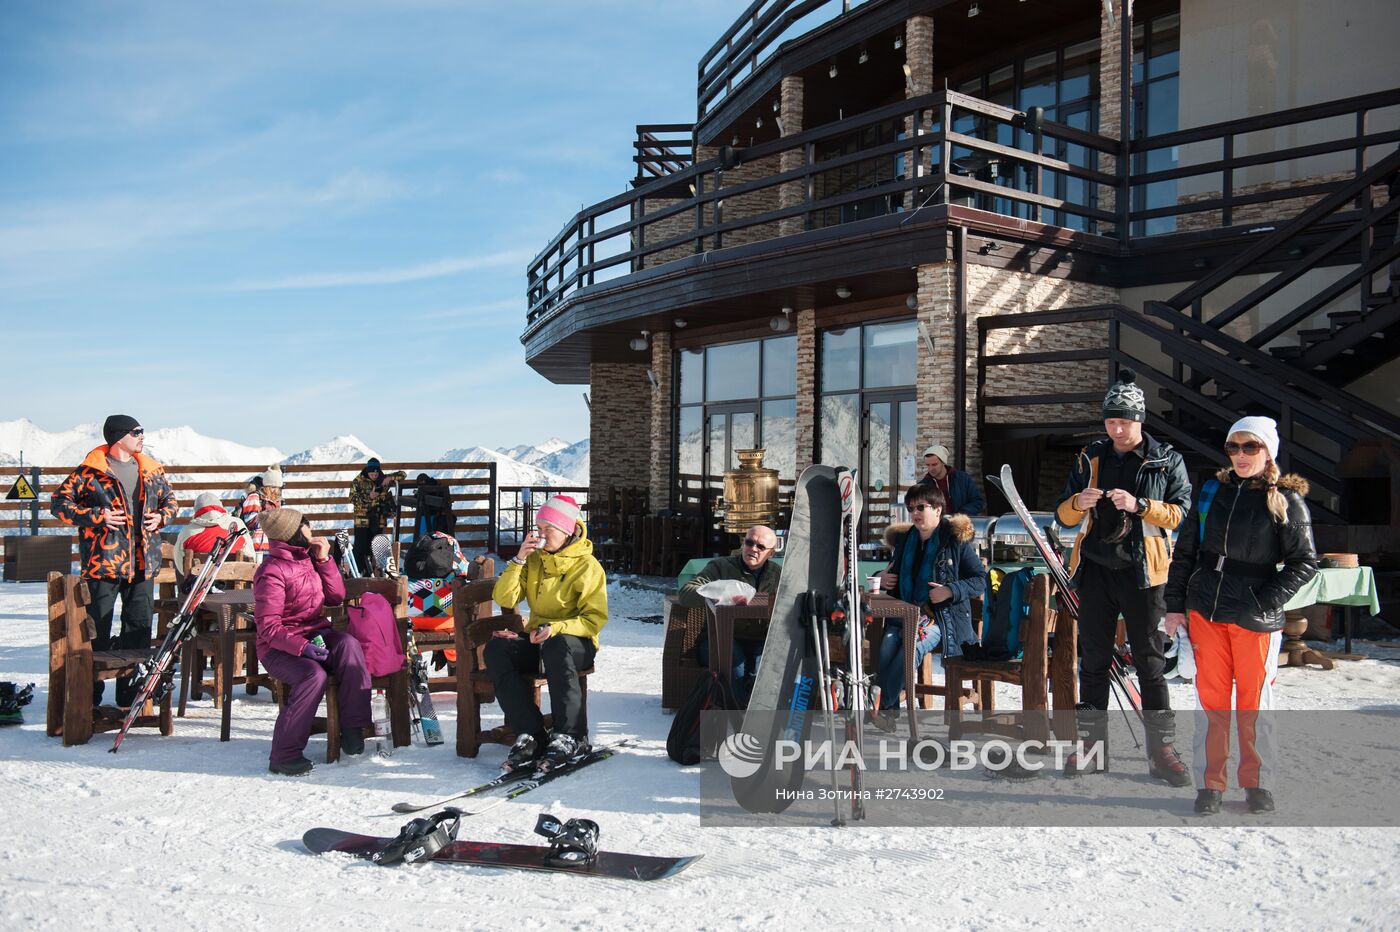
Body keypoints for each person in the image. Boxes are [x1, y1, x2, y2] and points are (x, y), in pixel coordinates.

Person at [1165, 417, 1316, 815]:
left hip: (1254, 619)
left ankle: (1258, 783)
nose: (1241, 455)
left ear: (1267, 452)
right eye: (1234, 447)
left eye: (1250, 447)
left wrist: (1264, 603)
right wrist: (1175, 606)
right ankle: (1210, 784)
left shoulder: (1287, 499)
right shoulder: (1211, 491)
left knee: (1253, 705)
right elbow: (1186, 552)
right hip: (1206, 612)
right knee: (1211, 704)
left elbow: (1304, 562)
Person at [1055, 368, 1193, 785]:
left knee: (1150, 663)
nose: (1117, 428)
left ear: (1141, 420)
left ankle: (1162, 751)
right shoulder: (1090, 457)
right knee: (1093, 662)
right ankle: (1091, 749)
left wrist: (1139, 505)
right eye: (1111, 421)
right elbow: (1062, 514)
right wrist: (1078, 501)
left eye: (1125, 421)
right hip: (1096, 570)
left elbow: (1180, 513)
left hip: (1144, 573)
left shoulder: (1166, 459)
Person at [51, 415, 176, 707]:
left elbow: (171, 501)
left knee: (139, 627)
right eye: (137, 432)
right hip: (103, 563)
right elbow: (59, 504)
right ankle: (89, 695)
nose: (142, 436)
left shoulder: (151, 470)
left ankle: (130, 694)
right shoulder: (90, 471)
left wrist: (161, 517)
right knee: (96, 629)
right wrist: (97, 517)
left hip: (143, 563)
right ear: (119, 436)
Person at [488, 495, 607, 771]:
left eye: (547, 530)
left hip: (576, 643)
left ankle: (571, 735)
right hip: (539, 639)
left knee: (558, 646)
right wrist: (518, 560)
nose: (540, 536)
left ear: (566, 531)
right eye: (537, 529)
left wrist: (557, 628)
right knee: (497, 650)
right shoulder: (534, 561)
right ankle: (532, 733)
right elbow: (504, 597)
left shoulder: (587, 567)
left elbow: (594, 620)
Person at [254, 508, 371, 776]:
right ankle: (284, 754)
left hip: (315, 632)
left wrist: (324, 560)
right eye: (306, 526)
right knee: (313, 676)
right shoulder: (271, 571)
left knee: (348, 645)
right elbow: (268, 627)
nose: (312, 530)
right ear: (294, 533)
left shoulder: (308, 559)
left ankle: (353, 728)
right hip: (277, 647)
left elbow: (336, 596)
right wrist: (301, 647)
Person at [875, 484, 984, 712]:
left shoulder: (954, 541)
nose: (915, 513)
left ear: (937, 510)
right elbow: (890, 573)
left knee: (910, 646)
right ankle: (888, 710)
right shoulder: (906, 542)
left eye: (921, 507)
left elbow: (980, 580)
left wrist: (950, 590)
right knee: (887, 643)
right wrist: (881, 577)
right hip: (904, 614)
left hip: (943, 619)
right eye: (911, 508)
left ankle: (880, 705)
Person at [678, 524, 782, 706]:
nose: (753, 549)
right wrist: (717, 593)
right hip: (718, 638)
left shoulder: (777, 575)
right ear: (743, 544)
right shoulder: (720, 567)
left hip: (759, 640)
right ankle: (739, 716)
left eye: (760, 547)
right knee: (736, 663)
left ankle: (752, 712)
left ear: (771, 553)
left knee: (761, 668)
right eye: (749, 543)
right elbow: (686, 593)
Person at [173, 491, 253, 578]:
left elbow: (180, 564)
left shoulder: (187, 531)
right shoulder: (237, 524)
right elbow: (250, 555)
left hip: (200, 584)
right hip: (236, 582)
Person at [349, 458, 406, 572]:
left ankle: (372, 572)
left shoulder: (383, 478)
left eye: (376, 474)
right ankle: (359, 572)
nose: (374, 476)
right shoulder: (358, 481)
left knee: (374, 546)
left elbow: (403, 474)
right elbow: (352, 499)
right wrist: (368, 497)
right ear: (367, 471)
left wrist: (391, 478)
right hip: (362, 519)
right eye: (372, 474)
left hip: (378, 518)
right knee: (360, 547)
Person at [919, 443, 985, 516]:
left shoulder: (962, 479)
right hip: (935, 525)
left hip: (960, 523)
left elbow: (978, 502)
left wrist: (958, 515)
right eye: (928, 465)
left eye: (934, 464)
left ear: (943, 463)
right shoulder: (923, 486)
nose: (931, 469)